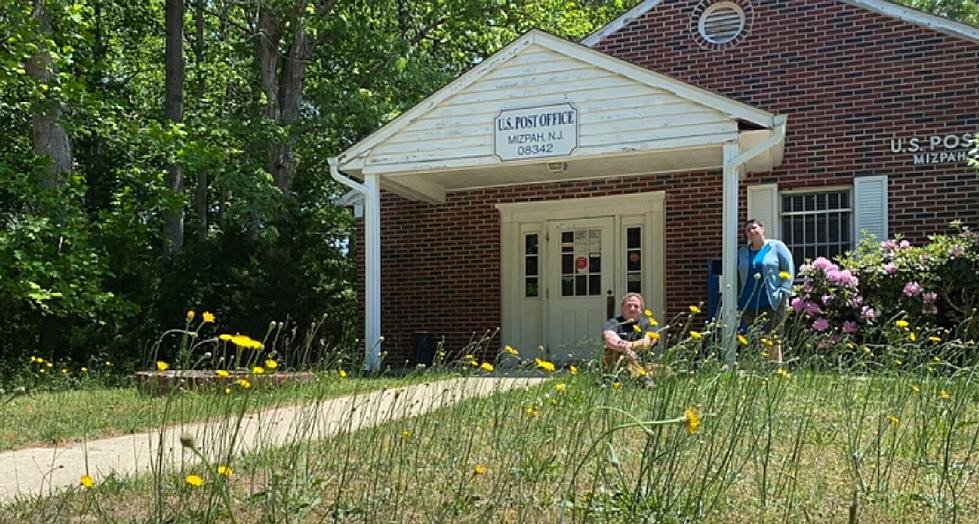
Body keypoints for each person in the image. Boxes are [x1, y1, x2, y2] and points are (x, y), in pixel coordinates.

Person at [737, 219, 794, 361]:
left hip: (772, 301)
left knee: (772, 338)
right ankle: (755, 370)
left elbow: (788, 269)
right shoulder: (742, 252)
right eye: (748, 230)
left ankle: (774, 371)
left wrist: (783, 292)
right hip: (749, 303)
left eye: (754, 228)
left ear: (762, 229)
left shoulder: (776, 247)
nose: (751, 232)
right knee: (753, 339)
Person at [602, 292, 659, 372]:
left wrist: (629, 345)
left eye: (636, 306)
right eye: (629, 306)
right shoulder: (613, 323)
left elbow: (648, 342)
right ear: (622, 308)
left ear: (641, 310)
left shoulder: (650, 324)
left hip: (644, 364)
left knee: (667, 371)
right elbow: (609, 339)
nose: (632, 309)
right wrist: (627, 351)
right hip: (618, 365)